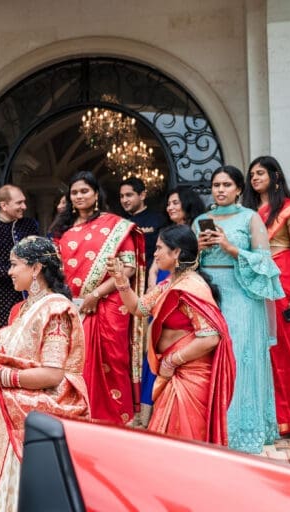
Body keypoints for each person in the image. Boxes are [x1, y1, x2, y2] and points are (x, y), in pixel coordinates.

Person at [0, 236, 89, 512]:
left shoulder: (55, 310)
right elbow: (5, 362)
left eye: (14, 265)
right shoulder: (20, 310)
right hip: (13, 413)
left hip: (38, 420)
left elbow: (52, 375)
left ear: (35, 269)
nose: (10, 271)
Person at [107, 224, 235, 444]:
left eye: (159, 248)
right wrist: (120, 280)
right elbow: (139, 309)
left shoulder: (192, 287)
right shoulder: (168, 283)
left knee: (187, 441)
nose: (154, 253)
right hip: (175, 374)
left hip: (191, 377)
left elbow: (211, 337)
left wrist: (172, 361)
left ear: (176, 252)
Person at [194, 165, 284, 454]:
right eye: (216, 184)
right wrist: (197, 248)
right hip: (209, 293)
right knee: (209, 358)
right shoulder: (200, 220)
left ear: (238, 189)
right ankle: (212, 429)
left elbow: (266, 263)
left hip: (242, 294)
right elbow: (184, 264)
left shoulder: (250, 218)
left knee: (238, 358)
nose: (220, 190)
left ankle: (240, 431)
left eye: (226, 185)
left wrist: (231, 248)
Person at [51, 171, 145, 425]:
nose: (79, 196)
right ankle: (82, 417)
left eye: (84, 191)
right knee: (76, 364)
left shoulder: (115, 225)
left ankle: (116, 421)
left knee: (113, 360)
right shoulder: (64, 231)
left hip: (110, 304)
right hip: (75, 307)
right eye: (74, 192)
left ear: (96, 195)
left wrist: (96, 294)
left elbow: (128, 268)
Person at [243, 155, 290, 435]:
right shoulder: (248, 212)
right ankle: (270, 416)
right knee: (262, 350)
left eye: (260, 173)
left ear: (276, 176)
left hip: (283, 281)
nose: (255, 178)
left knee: (289, 348)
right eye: (251, 175)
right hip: (256, 284)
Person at [141, 186, 206, 426]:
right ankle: (154, 410)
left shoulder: (197, 231)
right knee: (156, 338)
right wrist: (150, 284)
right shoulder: (165, 235)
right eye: (168, 203)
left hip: (184, 283)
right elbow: (155, 265)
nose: (171, 207)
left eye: (176, 202)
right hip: (163, 282)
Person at [0, 184, 39, 326]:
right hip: (2, 296)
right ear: (4, 205)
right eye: (19, 202)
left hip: (31, 291)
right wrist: (15, 273)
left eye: (24, 201)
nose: (24, 206)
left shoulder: (30, 225)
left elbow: (38, 256)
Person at [119, 177, 166, 272]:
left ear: (142, 195)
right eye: (121, 196)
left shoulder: (158, 219)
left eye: (129, 195)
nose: (124, 200)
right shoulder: (120, 222)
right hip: (126, 278)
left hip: (153, 276)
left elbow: (164, 250)